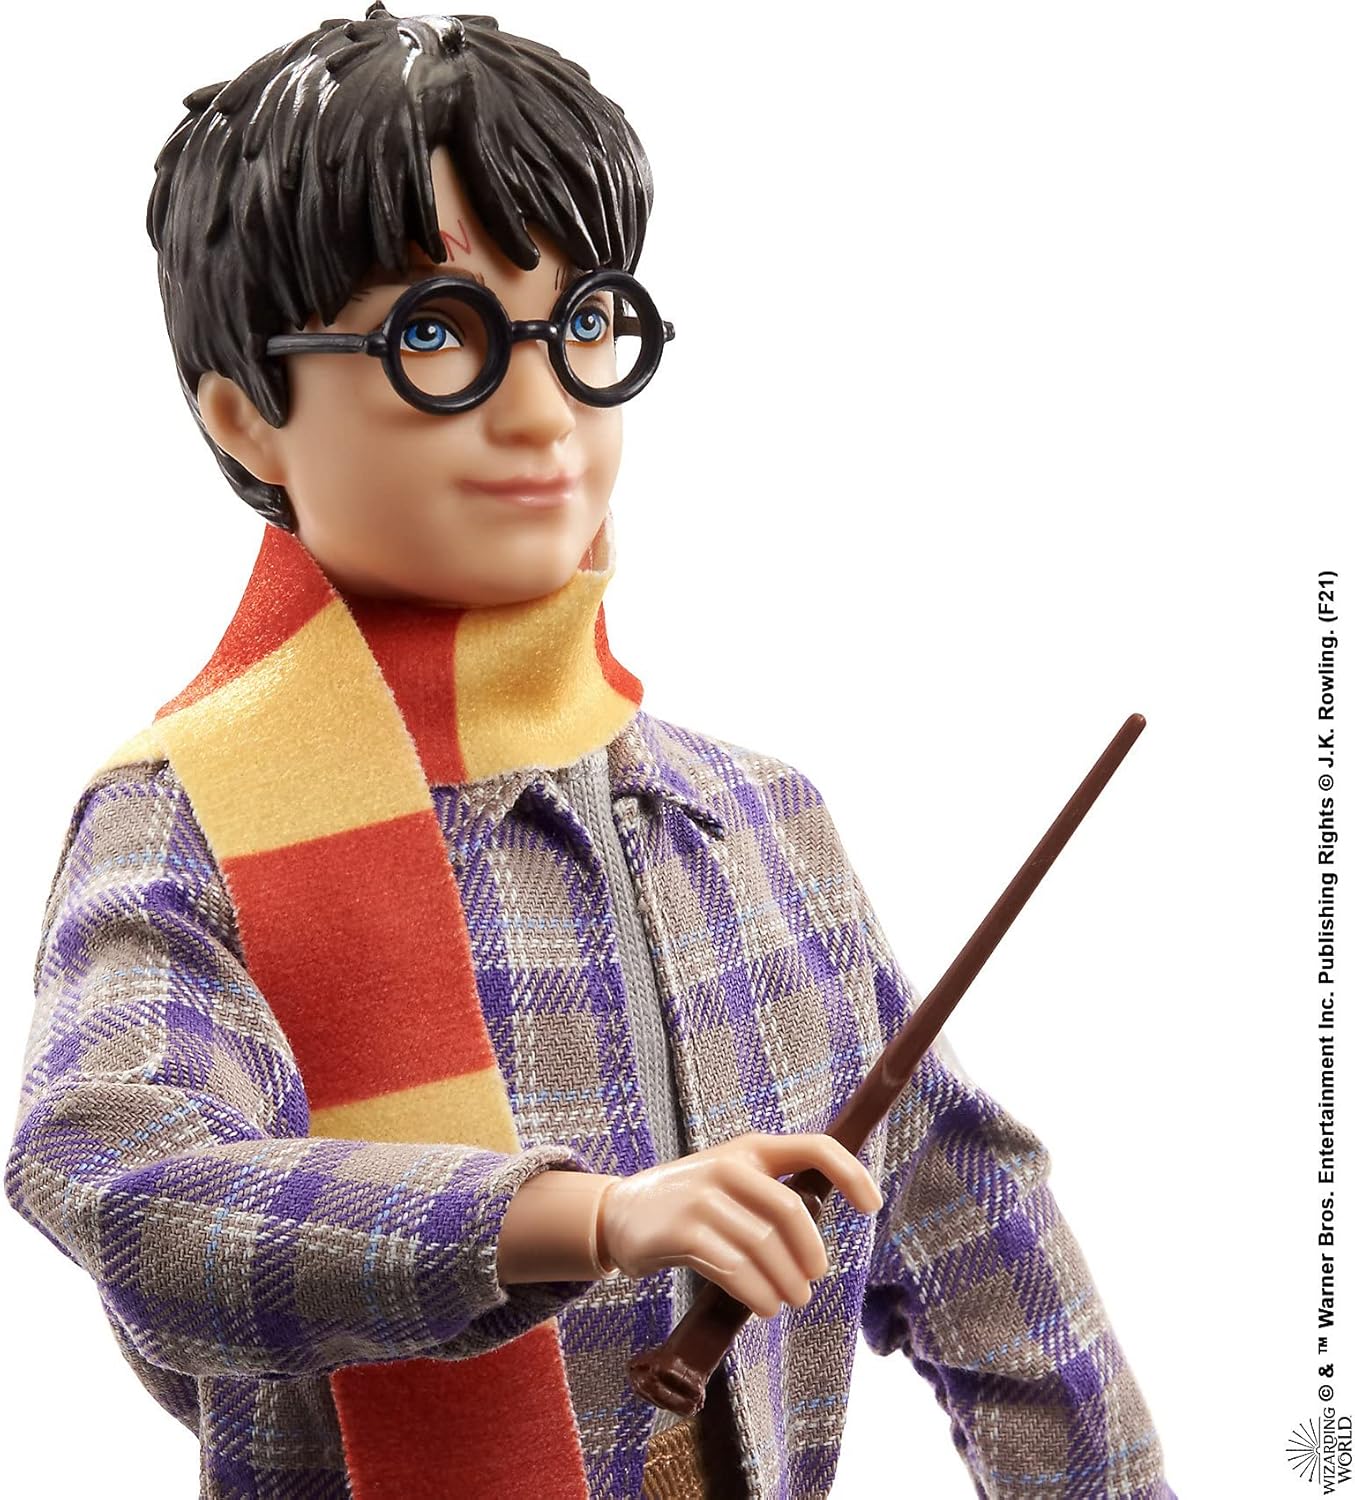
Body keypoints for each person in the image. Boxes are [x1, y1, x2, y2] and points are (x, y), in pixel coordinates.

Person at [5, 9, 1173, 1498]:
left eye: (584, 327)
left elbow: (975, 1229)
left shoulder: (750, 819)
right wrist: (576, 1221)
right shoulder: (193, 817)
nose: (542, 413)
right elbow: (126, 1181)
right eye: (437, 337)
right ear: (248, 419)